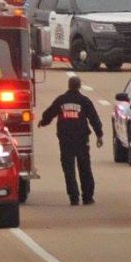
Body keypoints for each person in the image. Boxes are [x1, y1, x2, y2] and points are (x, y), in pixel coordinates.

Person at [40, 75, 104, 206]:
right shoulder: (84, 101)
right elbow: (94, 118)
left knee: (68, 168)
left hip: (65, 140)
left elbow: (49, 113)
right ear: (79, 86)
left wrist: (43, 122)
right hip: (81, 140)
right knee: (85, 167)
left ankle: (74, 197)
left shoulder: (61, 100)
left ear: (69, 86)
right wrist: (99, 135)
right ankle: (87, 197)